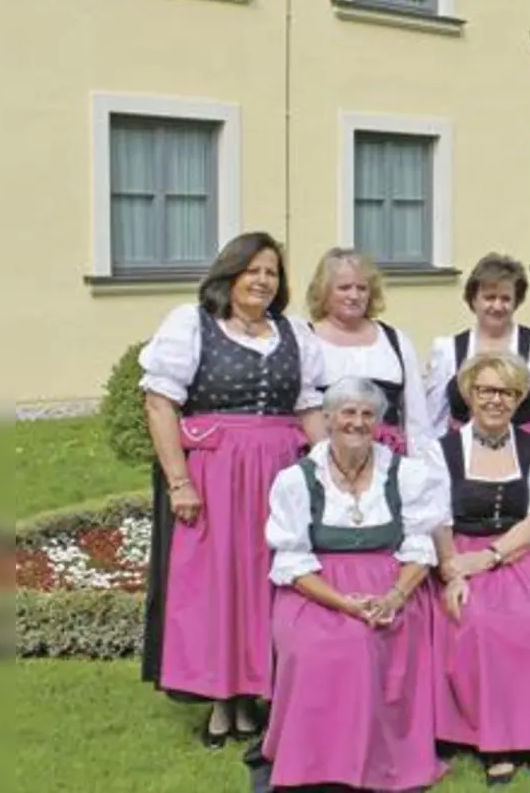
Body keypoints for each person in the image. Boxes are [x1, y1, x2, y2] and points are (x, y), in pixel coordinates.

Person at [137, 231, 326, 746]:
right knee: (219, 582)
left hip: (280, 475)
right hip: (216, 474)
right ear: (231, 274)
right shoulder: (191, 323)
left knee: (271, 579)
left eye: (272, 272)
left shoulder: (293, 333)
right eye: (255, 270)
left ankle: (260, 694)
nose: (264, 280)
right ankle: (223, 700)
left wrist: (332, 470)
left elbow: (308, 407)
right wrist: (180, 482)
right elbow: (160, 404)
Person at [259, 376, 451, 790]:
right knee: (330, 646)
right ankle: (319, 758)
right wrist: (346, 604)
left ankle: (377, 757)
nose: (357, 422)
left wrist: (395, 595)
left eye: (368, 414)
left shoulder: (405, 474)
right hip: (318, 588)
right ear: (327, 419)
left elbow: (420, 548)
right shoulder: (296, 480)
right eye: (348, 412)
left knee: (380, 641)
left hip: (392, 583)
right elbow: (292, 562)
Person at [425, 352, 530, 789]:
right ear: (470, 394)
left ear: (519, 398)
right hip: (460, 552)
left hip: (520, 551)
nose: (495, 400)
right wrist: (454, 572)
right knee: (479, 622)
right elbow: (438, 520)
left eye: (506, 392)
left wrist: (489, 557)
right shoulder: (442, 450)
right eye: (486, 390)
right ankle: (496, 741)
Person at [424, 253, 530, 437]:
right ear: (473, 299)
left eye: (505, 298)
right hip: (463, 458)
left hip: (529, 457)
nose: (498, 306)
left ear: (517, 301)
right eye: (489, 297)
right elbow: (434, 420)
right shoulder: (448, 351)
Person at [305, 247, 431, 455]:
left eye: (362, 288)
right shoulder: (306, 341)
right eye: (344, 288)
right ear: (324, 291)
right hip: (328, 461)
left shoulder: (395, 341)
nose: (354, 296)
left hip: (390, 462)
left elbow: (417, 418)